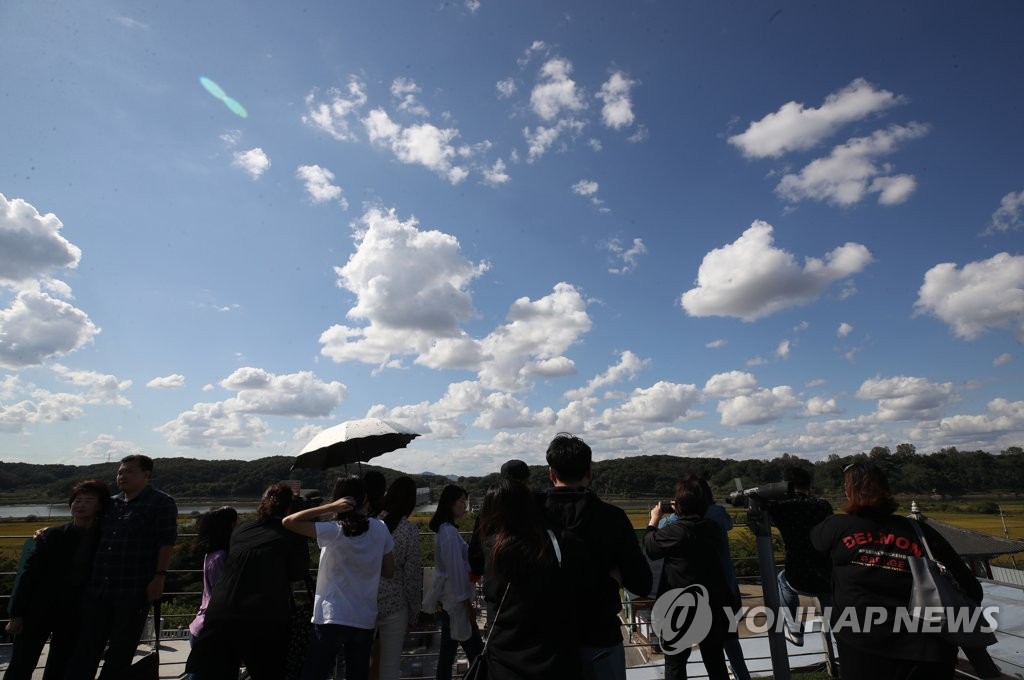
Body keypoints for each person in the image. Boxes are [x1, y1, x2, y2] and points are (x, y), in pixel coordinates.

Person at [810, 461, 984, 680]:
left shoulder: (834, 528)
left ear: (848, 493)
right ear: (887, 490)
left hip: (861, 647)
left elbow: (808, 559)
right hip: (928, 649)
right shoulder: (919, 532)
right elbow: (971, 590)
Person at [542, 433, 652, 680]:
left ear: (551, 473)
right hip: (600, 635)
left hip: (545, 642)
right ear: (589, 472)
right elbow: (642, 583)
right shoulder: (612, 517)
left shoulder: (531, 517)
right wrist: (613, 579)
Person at [65, 454, 178, 680]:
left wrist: (159, 577)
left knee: (121, 650)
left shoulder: (161, 502)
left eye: (129, 471)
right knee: (86, 647)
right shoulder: (110, 503)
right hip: (99, 587)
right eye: (120, 472)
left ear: (146, 474)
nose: (122, 476)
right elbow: (85, 526)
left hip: (133, 589)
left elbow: (166, 543)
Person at [186, 483, 311, 680]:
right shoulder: (291, 534)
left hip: (220, 614)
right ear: (289, 509)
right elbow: (297, 572)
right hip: (263, 617)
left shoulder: (241, 530)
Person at [283, 477, 395, 680]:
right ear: (365, 498)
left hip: (331, 616)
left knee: (314, 674)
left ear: (339, 499)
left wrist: (329, 507)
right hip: (364, 618)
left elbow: (288, 521)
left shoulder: (334, 530)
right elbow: (389, 571)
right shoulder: (381, 528)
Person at [476, 479, 582, 680]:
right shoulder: (555, 542)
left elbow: (492, 594)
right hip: (553, 656)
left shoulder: (493, 549)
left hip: (504, 659)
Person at [4, 480, 110, 680]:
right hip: (38, 609)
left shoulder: (104, 539)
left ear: (100, 506)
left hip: (74, 612)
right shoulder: (51, 535)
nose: (80, 505)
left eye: (88, 501)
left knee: (59, 664)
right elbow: (28, 576)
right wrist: (16, 614)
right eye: (77, 500)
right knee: (21, 663)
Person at [645, 475, 732, 680]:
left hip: (680, 608)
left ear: (679, 504)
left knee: (675, 663)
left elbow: (650, 546)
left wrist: (654, 519)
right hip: (713, 605)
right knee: (715, 661)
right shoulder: (713, 528)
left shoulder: (676, 530)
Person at [768, 466, 833, 645]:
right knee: (829, 600)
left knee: (782, 579)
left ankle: (794, 629)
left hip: (797, 573)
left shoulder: (782, 508)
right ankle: (841, 640)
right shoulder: (823, 505)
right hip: (827, 572)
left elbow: (769, 518)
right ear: (809, 484)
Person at [428, 484, 483, 680]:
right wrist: (468, 606)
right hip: (457, 604)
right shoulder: (449, 533)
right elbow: (456, 573)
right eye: (462, 501)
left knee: (447, 654)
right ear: (450, 503)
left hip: (450, 603)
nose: (465, 506)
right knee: (477, 653)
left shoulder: (446, 530)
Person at [371, 476, 423, 680]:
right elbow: (412, 578)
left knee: (362, 663)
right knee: (389, 668)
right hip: (394, 604)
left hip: (365, 603)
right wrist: (414, 615)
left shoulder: (369, 523)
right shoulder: (409, 530)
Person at [187, 507, 238, 645]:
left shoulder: (212, 555)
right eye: (236, 524)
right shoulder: (220, 558)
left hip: (205, 627)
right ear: (229, 527)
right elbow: (221, 596)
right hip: (210, 631)